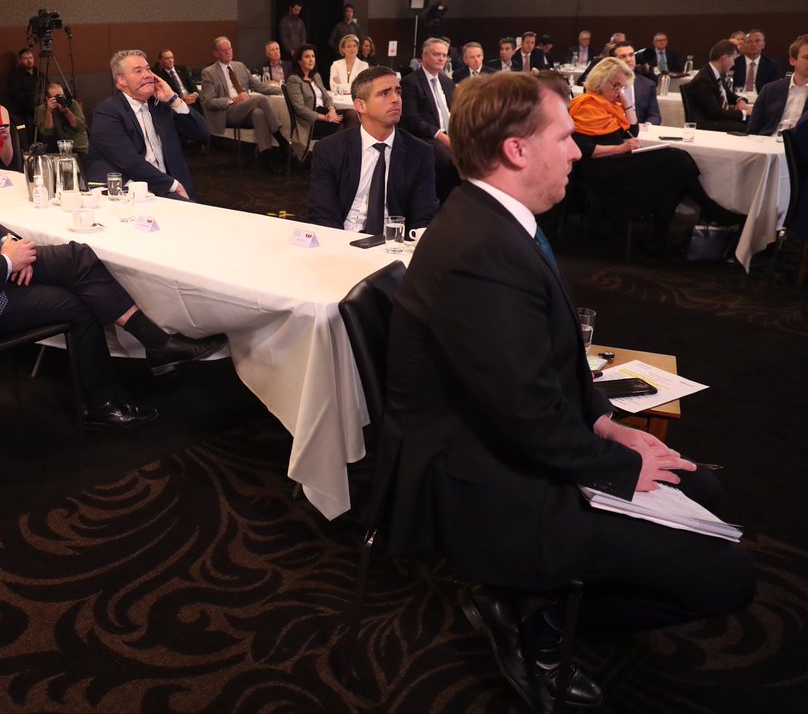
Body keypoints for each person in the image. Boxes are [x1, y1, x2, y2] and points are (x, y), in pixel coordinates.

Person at [379, 70, 755, 711]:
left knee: (704, 490)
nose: (579, 151)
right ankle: (534, 619)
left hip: (506, 442)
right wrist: (616, 463)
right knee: (728, 578)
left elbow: (546, 368)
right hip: (480, 479)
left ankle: (539, 602)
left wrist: (606, 423)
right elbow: (525, 416)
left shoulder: (496, 219)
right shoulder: (479, 250)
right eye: (565, 137)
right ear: (517, 151)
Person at [0, 82, 227, 426]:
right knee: (77, 305)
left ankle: (155, 343)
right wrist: (7, 263)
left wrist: (8, 242)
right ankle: (101, 402)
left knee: (77, 256)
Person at [570, 57, 731, 250]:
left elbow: (633, 130)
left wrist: (627, 103)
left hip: (617, 161)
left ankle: (660, 238)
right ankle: (709, 210)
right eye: (616, 86)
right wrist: (620, 148)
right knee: (676, 160)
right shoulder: (586, 105)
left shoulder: (611, 105)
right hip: (600, 167)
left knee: (676, 170)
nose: (618, 91)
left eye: (622, 86)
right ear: (600, 80)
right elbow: (584, 150)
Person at [307, 65, 437, 232]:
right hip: (343, 240)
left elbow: (424, 218)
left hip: (392, 246)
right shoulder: (330, 149)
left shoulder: (419, 153)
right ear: (360, 105)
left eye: (398, 92)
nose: (395, 99)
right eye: (384, 93)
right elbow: (322, 213)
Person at [87, 49, 208, 199]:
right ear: (121, 81)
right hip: (131, 190)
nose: (148, 75)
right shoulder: (107, 112)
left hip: (167, 188)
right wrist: (172, 185)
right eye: (138, 71)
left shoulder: (161, 105)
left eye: (148, 69)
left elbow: (201, 133)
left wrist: (173, 99)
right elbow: (129, 161)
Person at [200, 37, 290, 170]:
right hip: (226, 111)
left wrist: (285, 90)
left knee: (258, 113)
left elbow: (260, 87)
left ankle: (266, 157)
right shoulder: (208, 73)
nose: (228, 52)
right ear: (216, 53)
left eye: (229, 48)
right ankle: (281, 139)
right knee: (261, 99)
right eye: (224, 50)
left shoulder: (239, 66)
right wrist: (233, 100)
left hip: (244, 108)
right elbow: (209, 102)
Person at [401, 38, 460, 202]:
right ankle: (442, 205)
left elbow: (456, 112)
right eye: (436, 54)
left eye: (444, 55)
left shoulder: (447, 82)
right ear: (424, 56)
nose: (441, 58)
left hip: (451, 133)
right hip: (426, 136)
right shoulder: (410, 82)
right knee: (449, 162)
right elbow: (410, 119)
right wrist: (440, 135)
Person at [284, 44, 345, 160]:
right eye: (307, 56)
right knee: (341, 126)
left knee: (352, 115)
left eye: (313, 56)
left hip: (325, 112)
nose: (311, 59)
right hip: (310, 121)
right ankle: (335, 162)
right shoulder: (294, 80)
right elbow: (300, 109)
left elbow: (327, 97)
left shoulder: (316, 76)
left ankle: (342, 160)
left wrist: (332, 110)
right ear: (299, 60)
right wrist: (325, 117)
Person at [748, 34, 808, 136]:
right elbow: (752, 130)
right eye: (807, 57)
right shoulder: (770, 90)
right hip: (767, 144)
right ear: (792, 60)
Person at [684, 40, 750, 133]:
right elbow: (716, 113)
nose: (733, 64)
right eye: (733, 60)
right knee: (750, 126)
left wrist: (740, 100)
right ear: (724, 58)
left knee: (754, 121)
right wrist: (744, 113)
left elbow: (729, 95)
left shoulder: (716, 73)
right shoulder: (703, 80)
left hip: (717, 119)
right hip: (708, 124)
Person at [610, 42, 661, 125]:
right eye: (623, 56)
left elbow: (654, 115)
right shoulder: (606, 84)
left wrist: (648, 125)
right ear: (614, 61)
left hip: (639, 130)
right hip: (613, 128)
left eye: (631, 55)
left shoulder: (647, 85)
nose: (629, 59)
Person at [34, 81, 87, 158]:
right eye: (57, 97)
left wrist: (66, 111)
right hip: (56, 147)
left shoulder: (72, 104)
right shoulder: (42, 109)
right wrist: (49, 112)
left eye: (62, 96)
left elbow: (81, 126)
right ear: (48, 99)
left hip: (77, 146)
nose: (60, 99)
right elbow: (47, 132)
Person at [2, 48, 44, 140]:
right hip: (23, 111)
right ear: (20, 60)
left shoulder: (38, 73)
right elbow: (15, 94)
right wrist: (32, 96)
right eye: (25, 58)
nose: (29, 61)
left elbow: (46, 86)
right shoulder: (15, 75)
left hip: (39, 108)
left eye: (31, 58)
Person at [732, 30, 783, 97]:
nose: (753, 44)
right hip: (737, 99)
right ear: (744, 44)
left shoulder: (771, 65)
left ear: (763, 44)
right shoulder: (734, 63)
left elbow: (773, 90)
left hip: (761, 100)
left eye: (757, 41)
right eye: (749, 41)